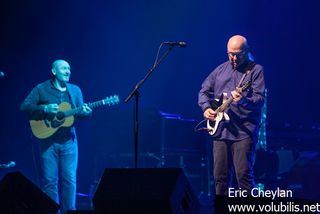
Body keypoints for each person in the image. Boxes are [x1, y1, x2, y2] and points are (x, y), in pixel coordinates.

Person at [20, 59, 92, 213]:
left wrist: (85, 113)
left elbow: (78, 113)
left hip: (69, 141)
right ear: (54, 71)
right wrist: (45, 109)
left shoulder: (75, 90)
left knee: (70, 181)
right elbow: (25, 107)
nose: (68, 71)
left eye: (69, 69)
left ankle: (69, 211)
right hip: (47, 141)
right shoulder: (41, 88)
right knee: (50, 182)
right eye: (64, 68)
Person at [198, 35, 265, 196]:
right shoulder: (220, 70)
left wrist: (243, 101)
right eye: (230, 54)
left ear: (247, 51)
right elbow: (203, 91)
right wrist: (206, 108)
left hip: (244, 131)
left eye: (238, 54)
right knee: (220, 178)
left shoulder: (256, 71)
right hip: (221, 131)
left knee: (243, 176)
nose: (233, 58)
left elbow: (259, 99)